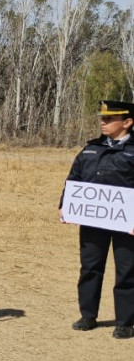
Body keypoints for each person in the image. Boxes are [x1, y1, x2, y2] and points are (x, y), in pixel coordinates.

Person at [62, 100, 134, 339]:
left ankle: (125, 322)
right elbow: (74, 179)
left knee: (127, 271)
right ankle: (88, 316)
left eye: (109, 119)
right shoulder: (91, 149)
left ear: (127, 122)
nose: (103, 122)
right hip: (93, 221)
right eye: (102, 118)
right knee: (90, 267)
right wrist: (66, 205)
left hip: (128, 225)